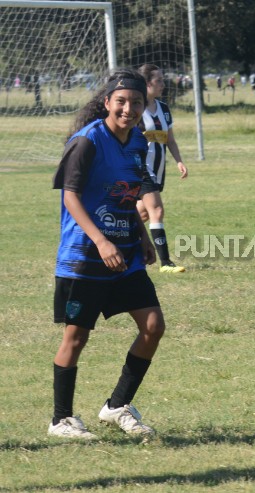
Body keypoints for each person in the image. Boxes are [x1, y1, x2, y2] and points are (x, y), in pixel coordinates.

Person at [49, 68, 165, 440]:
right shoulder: (88, 141)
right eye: (121, 102)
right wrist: (101, 240)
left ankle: (117, 406)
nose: (128, 109)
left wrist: (143, 235)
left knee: (153, 326)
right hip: (85, 254)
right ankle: (61, 420)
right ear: (107, 103)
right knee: (76, 338)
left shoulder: (138, 143)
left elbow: (126, 194)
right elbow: (70, 197)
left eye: (136, 103)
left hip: (126, 254)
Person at [137, 64, 188, 273]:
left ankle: (111, 238)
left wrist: (179, 161)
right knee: (157, 210)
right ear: (147, 84)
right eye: (158, 80)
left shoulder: (164, 109)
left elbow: (171, 140)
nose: (163, 84)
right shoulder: (136, 110)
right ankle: (166, 263)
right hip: (140, 169)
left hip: (158, 170)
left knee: (140, 214)